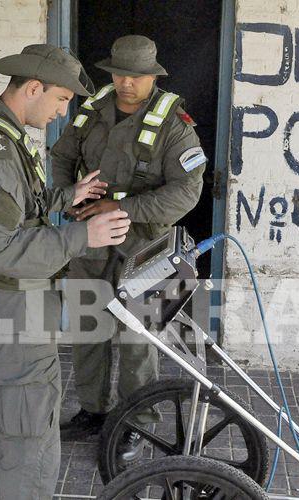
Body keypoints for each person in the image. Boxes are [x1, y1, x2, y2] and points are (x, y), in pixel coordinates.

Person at [0, 44, 131, 500]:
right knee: (32, 439)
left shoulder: (2, 136)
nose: (59, 114)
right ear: (34, 87)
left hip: (14, 302)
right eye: (60, 101)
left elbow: (15, 212)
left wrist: (66, 197)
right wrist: (82, 237)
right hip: (11, 305)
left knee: (24, 429)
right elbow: (1, 248)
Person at [50, 35, 207, 459]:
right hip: (89, 241)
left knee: (138, 340)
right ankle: (93, 412)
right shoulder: (93, 109)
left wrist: (121, 206)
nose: (125, 83)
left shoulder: (175, 125)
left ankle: (138, 423)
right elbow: (61, 156)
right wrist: (71, 195)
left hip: (145, 247)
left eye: (135, 76)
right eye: (118, 73)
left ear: (151, 76)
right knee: (88, 328)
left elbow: (187, 192)